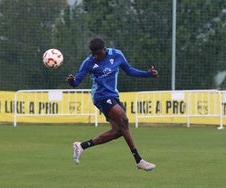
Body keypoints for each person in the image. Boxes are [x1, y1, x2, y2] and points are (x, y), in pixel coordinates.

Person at [67, 37, 158, 171]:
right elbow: (76, 82)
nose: (95, 56)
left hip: (113, 96)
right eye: (93, 54)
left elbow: (129, 70)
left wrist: (148, 74)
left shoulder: (117, 55)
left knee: (118, 131)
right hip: (100, 96)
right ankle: (138, 160)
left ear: (104, 50)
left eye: (98, 53)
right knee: (124, 120)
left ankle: (81, 146)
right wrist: (71, 81)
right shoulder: (88, 62)